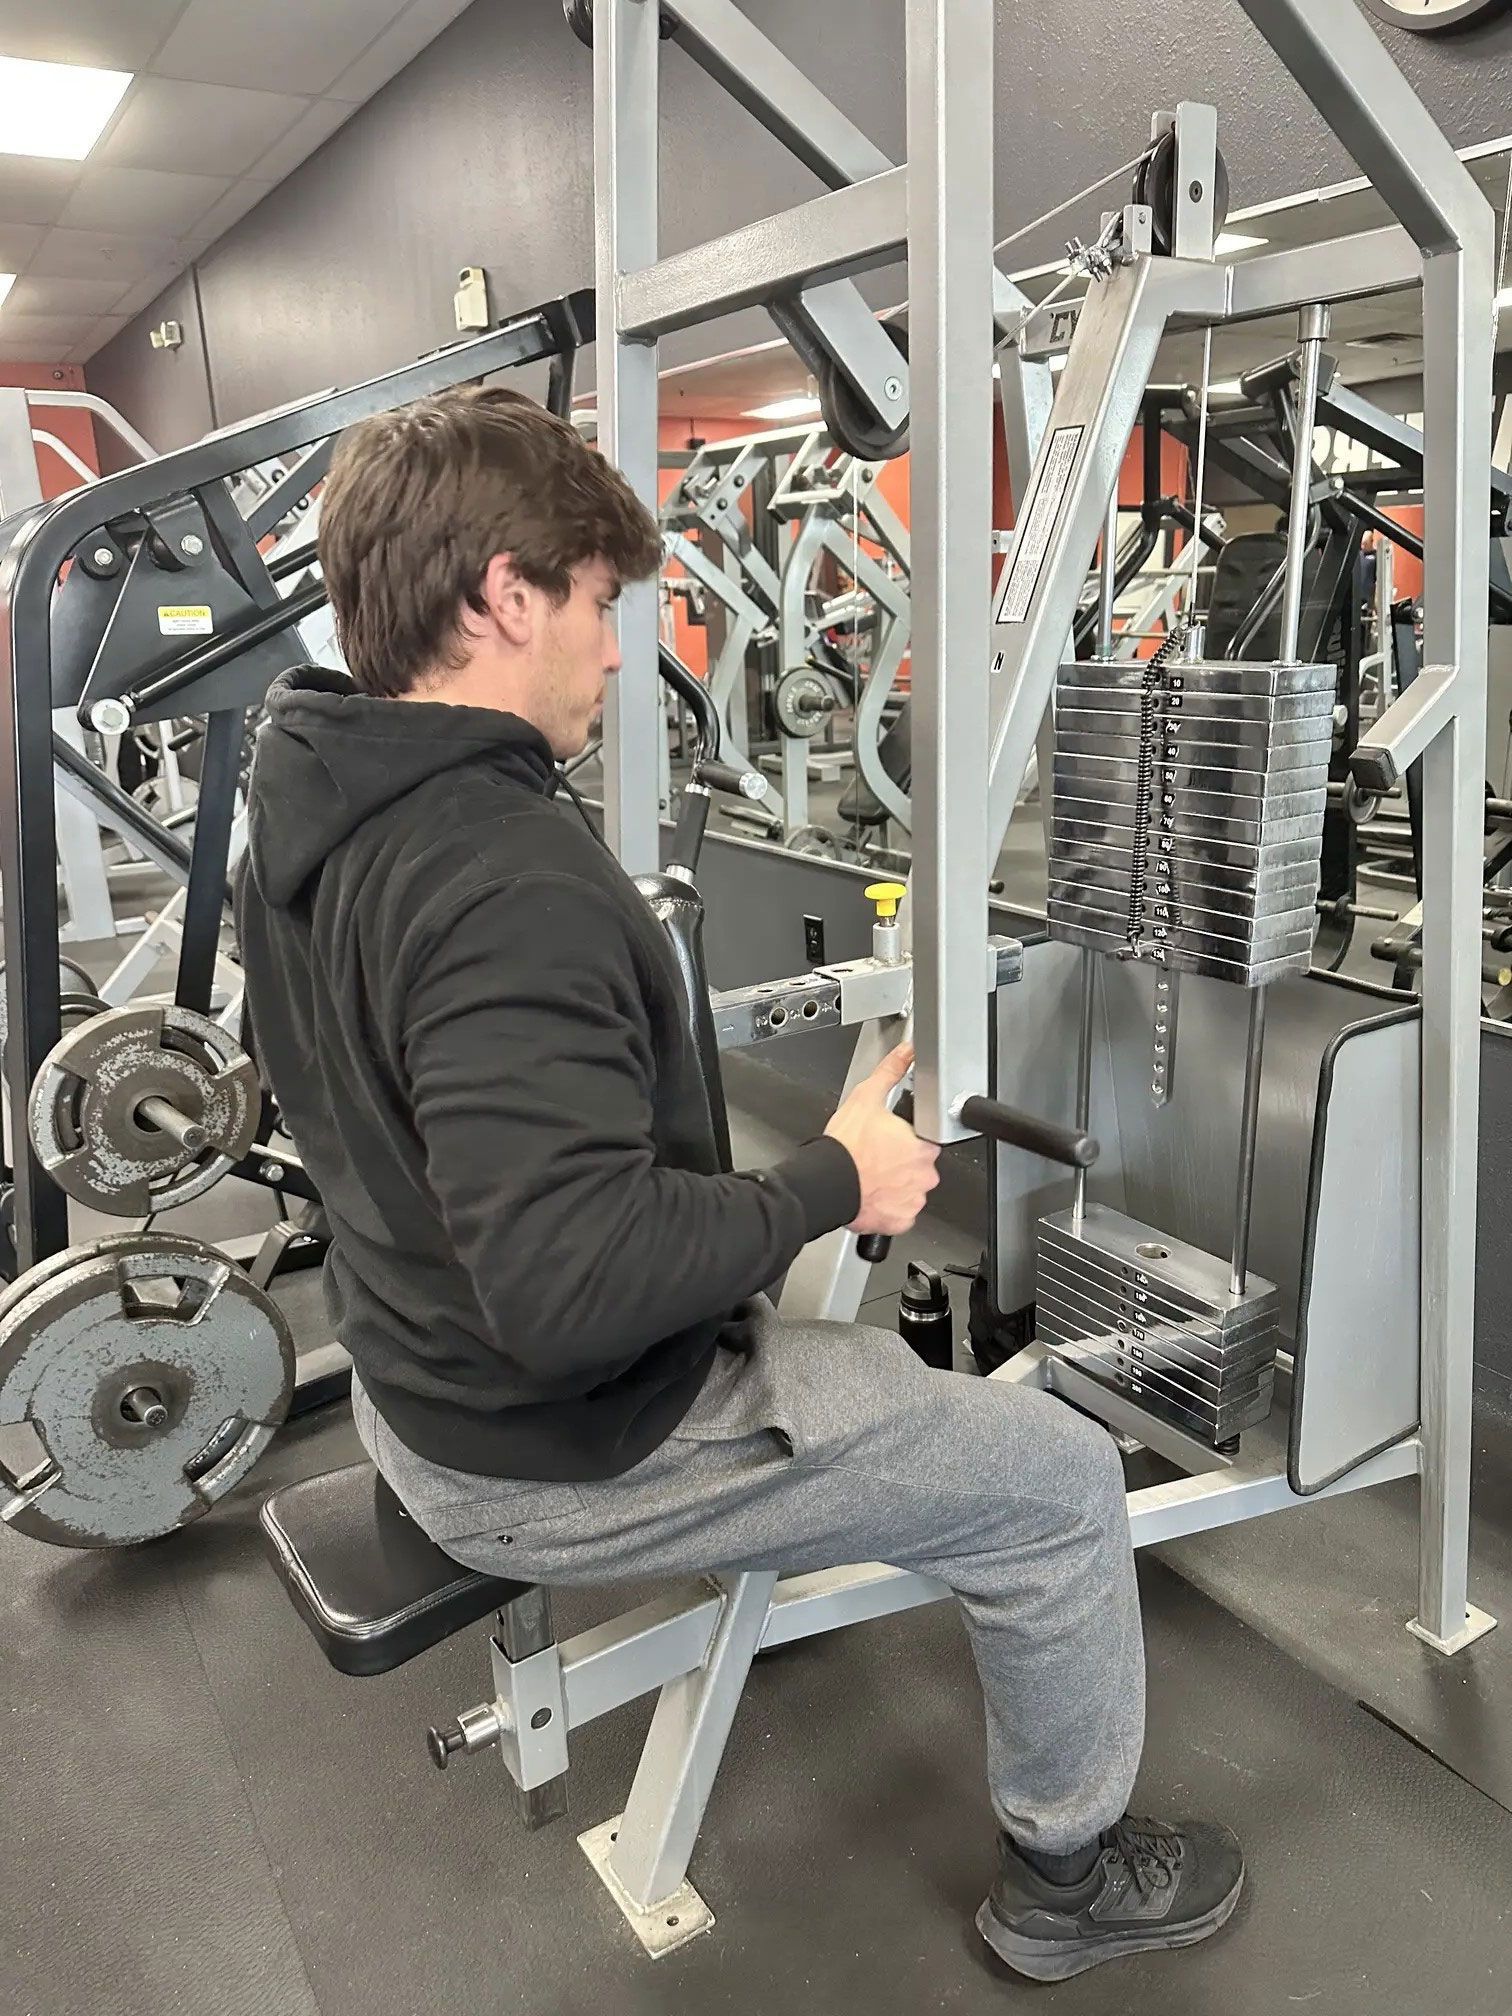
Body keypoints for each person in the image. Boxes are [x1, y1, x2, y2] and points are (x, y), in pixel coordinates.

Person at [235, 384, 1243, 1983]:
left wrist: (643, 1078)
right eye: (598, 604)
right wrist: (830, 1182)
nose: (618, 649)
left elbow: (373, 1089)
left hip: (416, 1395)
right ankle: (1071, 1877)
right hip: (562, 1443)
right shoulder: (498, 876)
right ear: (505, 595)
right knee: (1054, 1481)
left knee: (878, 1373)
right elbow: (570, 1291)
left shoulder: (303, 804)